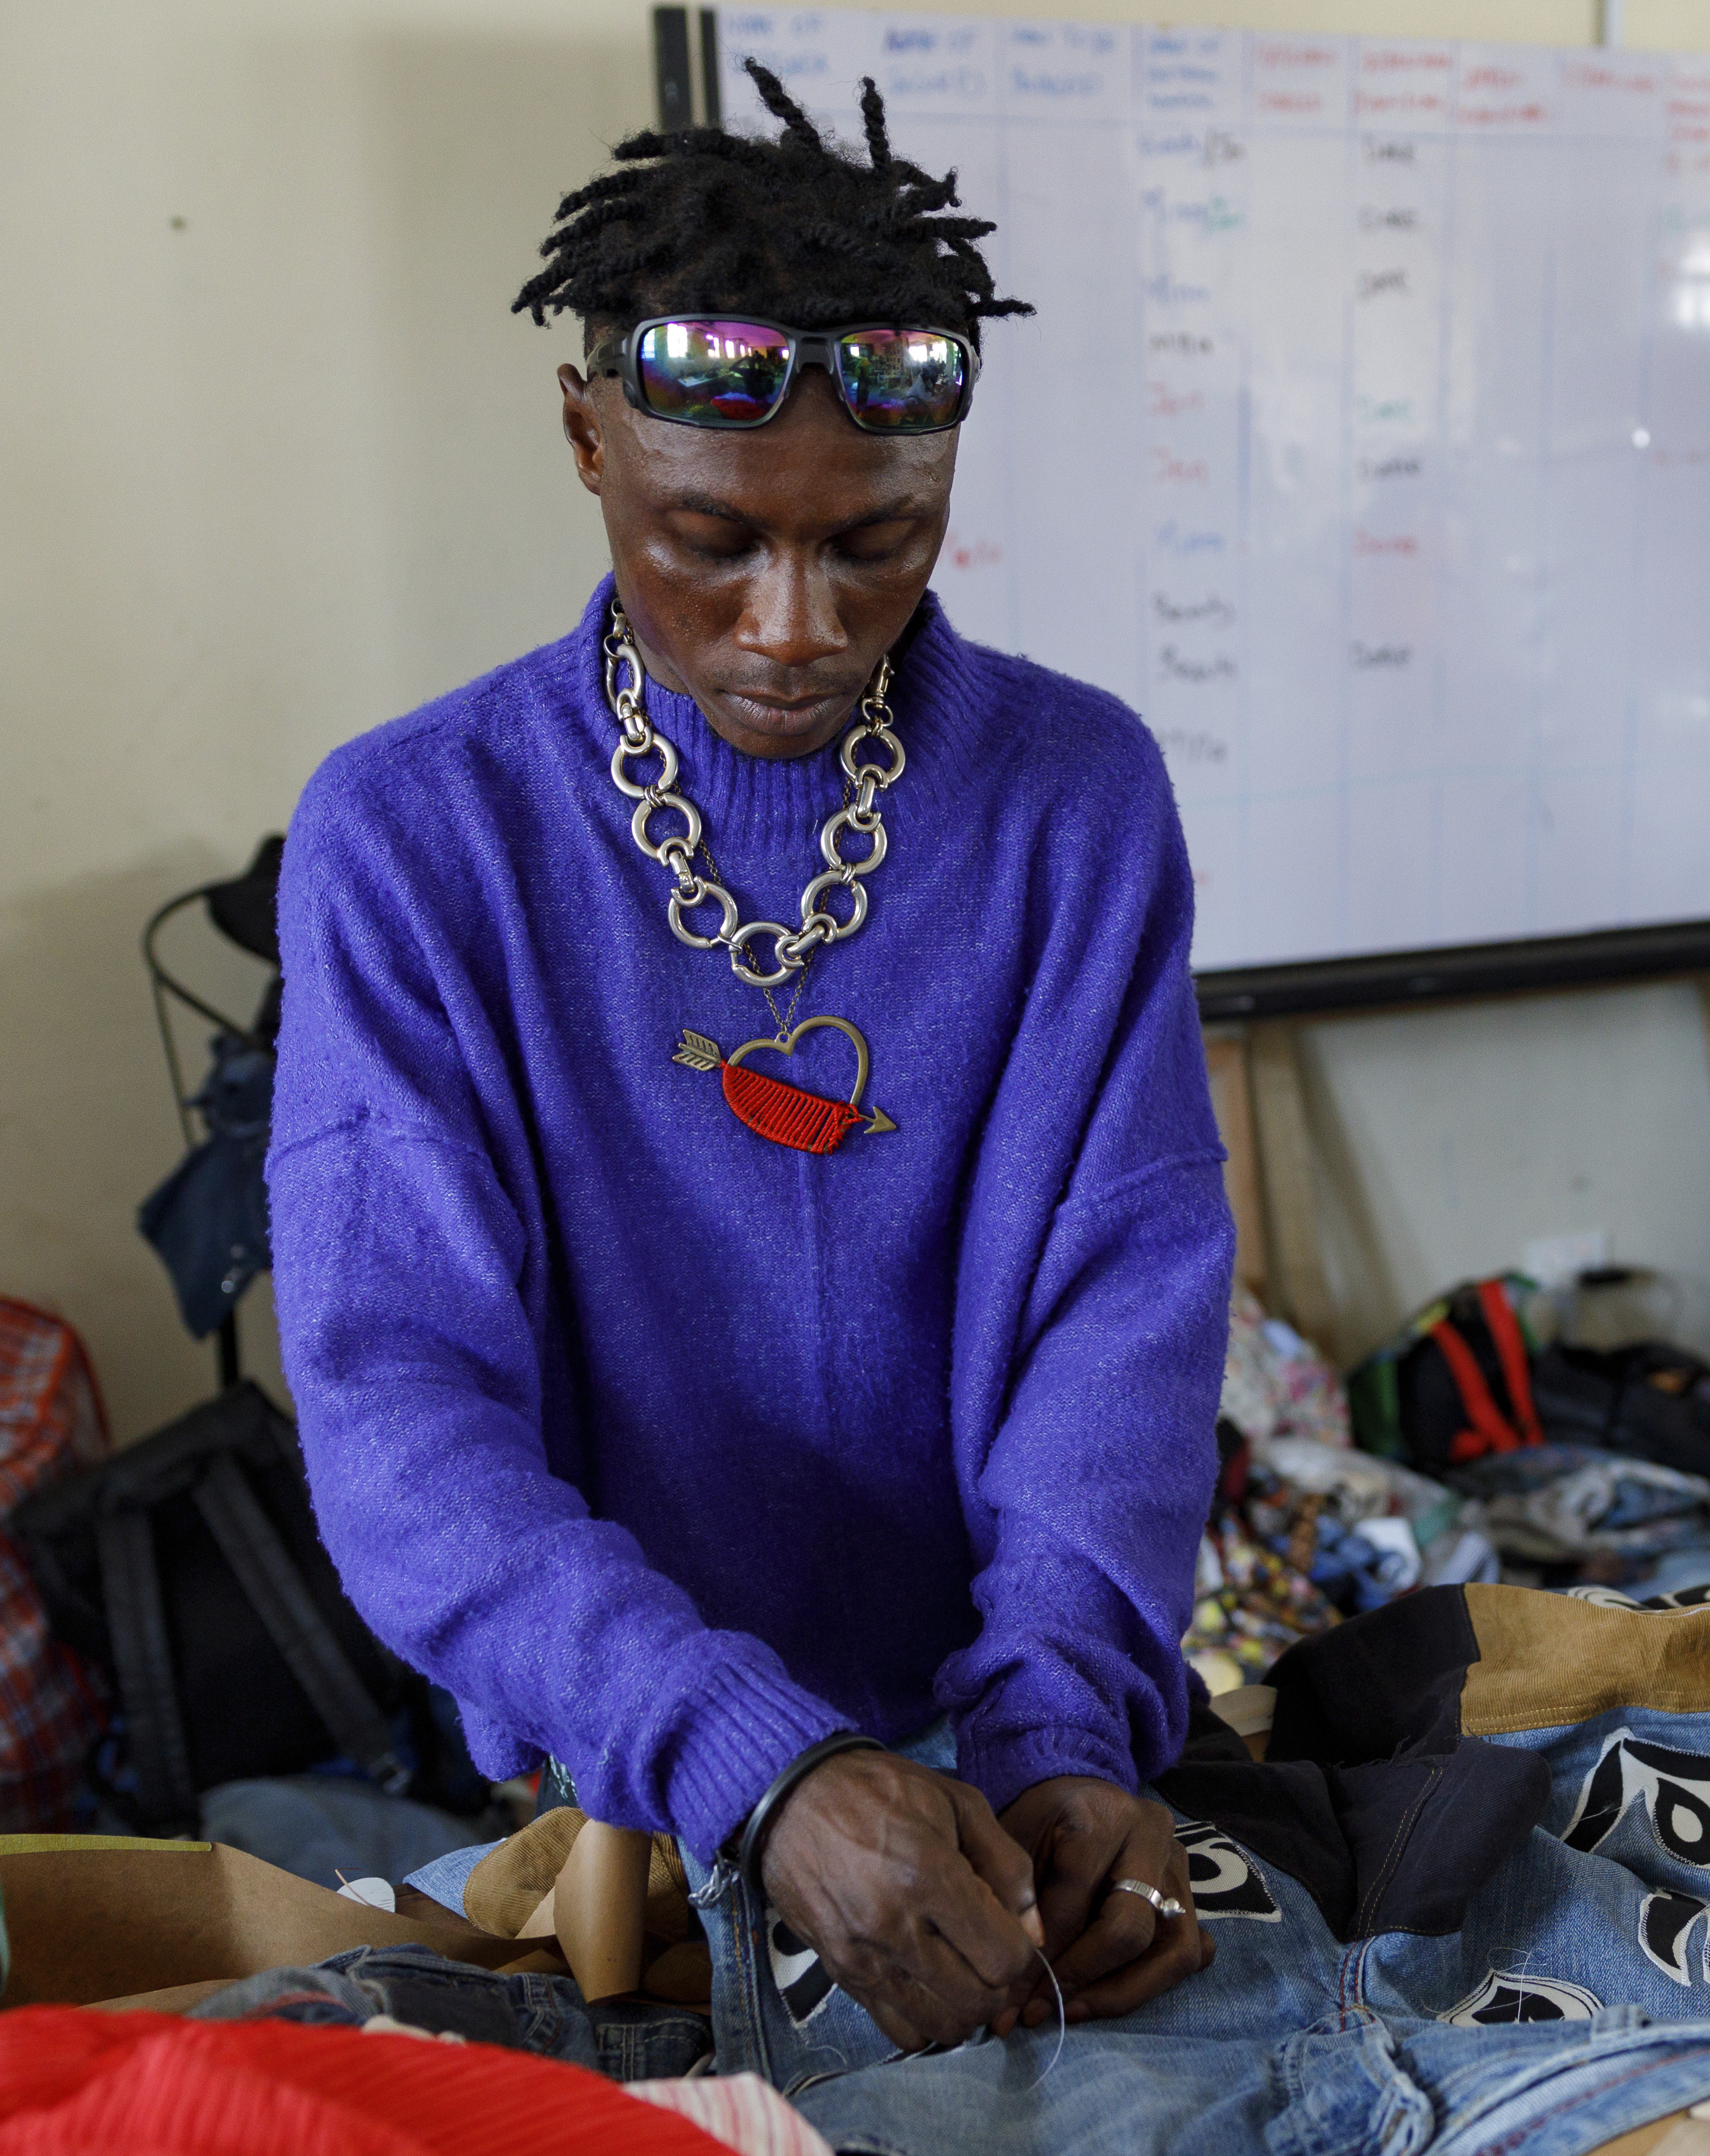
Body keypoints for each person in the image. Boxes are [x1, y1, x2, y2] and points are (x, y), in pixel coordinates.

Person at [265, 68, 1229, 2048]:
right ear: (584, 440)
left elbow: (1117, 1309)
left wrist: (1061, 1719)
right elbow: (398, 1405)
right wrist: (744, 1754)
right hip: (619, 1741)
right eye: (710, 541)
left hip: (995, 1720)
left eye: (879, 545)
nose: (794, 628)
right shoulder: (415, 834)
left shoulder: (1075, 800)